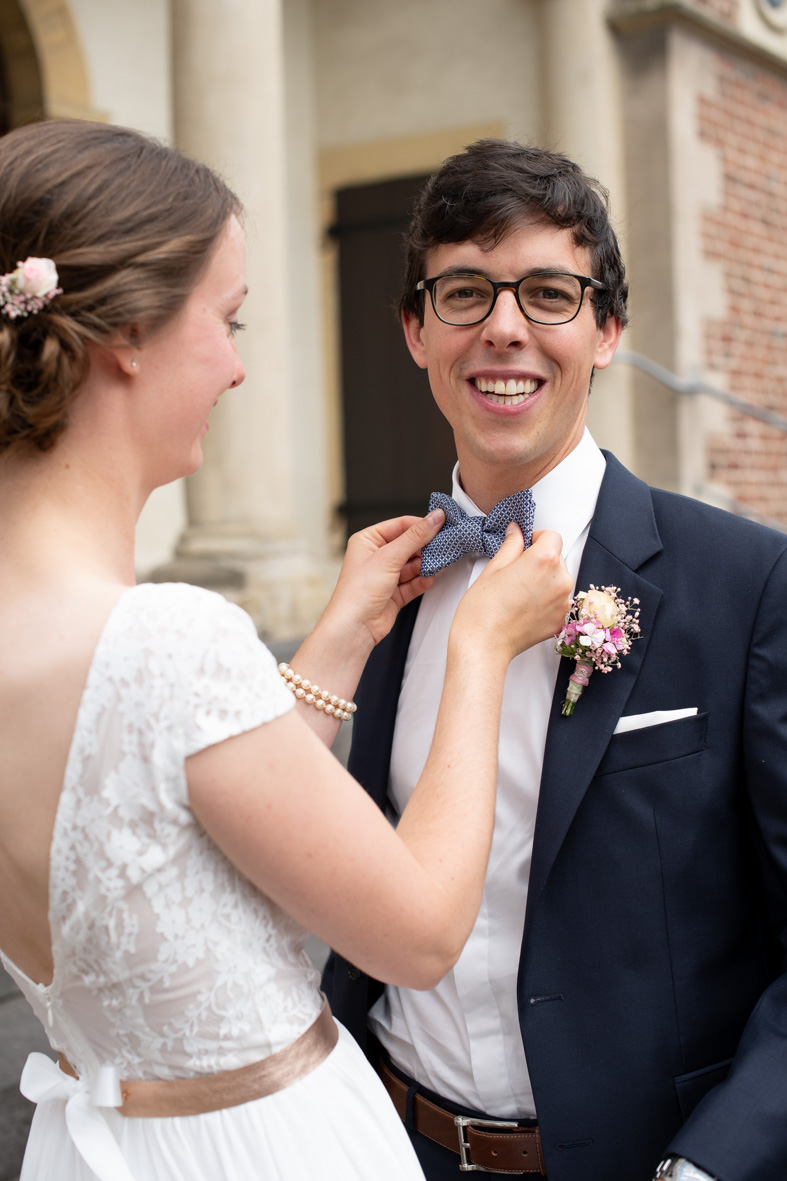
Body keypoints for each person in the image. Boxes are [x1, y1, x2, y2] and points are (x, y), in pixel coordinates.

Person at [0, 120, 573, 1181]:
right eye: (228, 319)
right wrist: (482, 647)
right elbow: (416, 934)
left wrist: (339, 634)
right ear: (128, 328)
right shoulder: (165, 634)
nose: (236, 366)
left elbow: (167, 817)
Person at [323, 139, 787, 1181]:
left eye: (547, 293)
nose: (502, 328)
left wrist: (710, 1164)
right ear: (413, 329)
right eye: (462, 292)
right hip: (392, 1143)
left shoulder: (748, 582)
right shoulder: (386, 582)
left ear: (607, 330)